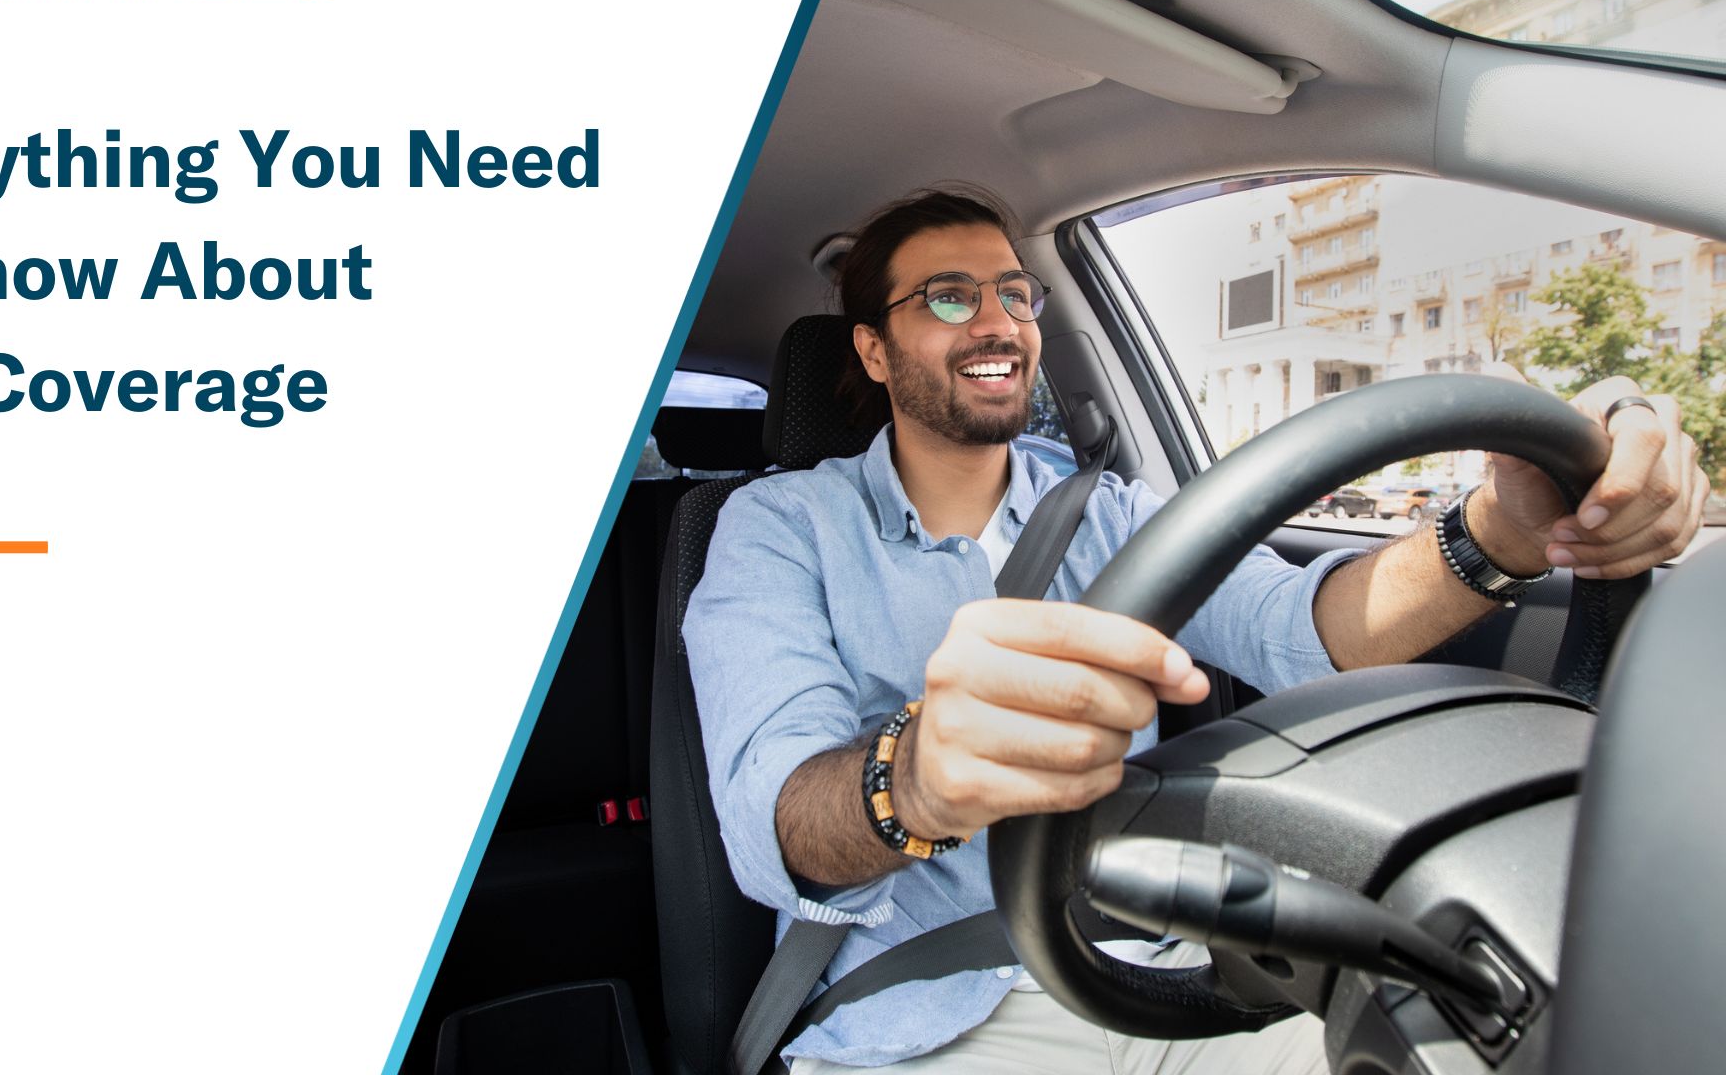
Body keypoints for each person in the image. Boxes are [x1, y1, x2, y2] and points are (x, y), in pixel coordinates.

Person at [682, 186, 1710, 1072]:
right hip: (918, 1018)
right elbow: (771, 818)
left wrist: (1498, 532)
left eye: (1012, 293)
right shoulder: (777, 528)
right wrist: (913, 776)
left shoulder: (1108, 512)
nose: (994, 322)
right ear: (872, 347)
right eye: (947, 297)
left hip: (1149, 972)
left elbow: (1301, 632)